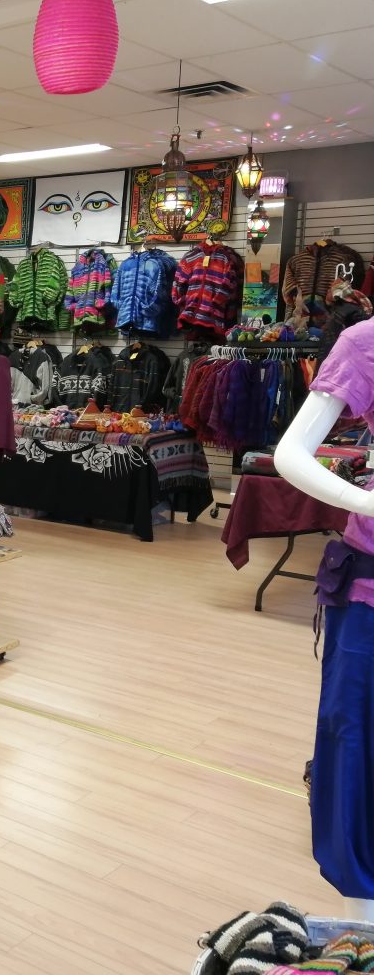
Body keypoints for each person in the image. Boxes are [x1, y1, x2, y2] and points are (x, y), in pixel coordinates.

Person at [275, 316, 374, 917]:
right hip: (369, 587)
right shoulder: (366, 342)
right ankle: (365, 915)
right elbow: (291, 452)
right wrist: (366, 501)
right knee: (355, 737)